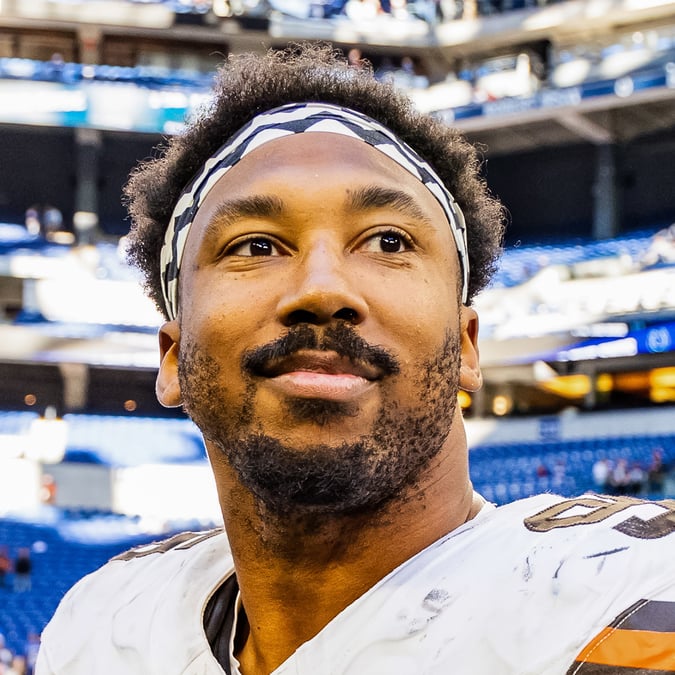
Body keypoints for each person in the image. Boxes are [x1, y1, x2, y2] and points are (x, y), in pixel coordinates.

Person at [37, 44, 675, 674]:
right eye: (256, 246)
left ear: (466, 346)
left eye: (388, 241)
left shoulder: (628, 597)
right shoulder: (105, 628)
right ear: (174, 358)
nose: (322, 289)